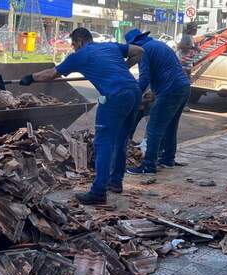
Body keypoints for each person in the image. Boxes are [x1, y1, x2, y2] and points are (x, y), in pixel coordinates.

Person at [20, 27, 143, 204]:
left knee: (103, 142)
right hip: (133, 91)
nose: (73, 48)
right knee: (120, 139)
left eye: (73, 44)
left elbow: (51, 74)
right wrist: (123, 67)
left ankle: (99, 192)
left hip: (114, 96)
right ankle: (115, 182)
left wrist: (29, 78)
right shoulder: (109, 46)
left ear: (79, 41)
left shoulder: (80, 55)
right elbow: (139, 51)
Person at [124, 29, 191, 174]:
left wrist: (134, 97)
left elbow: (144, 78)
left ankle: (148, 165)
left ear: (133, 45)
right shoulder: (158, 45)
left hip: (170, 90)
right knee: (170, 126)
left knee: (154, 127)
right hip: (183, 87)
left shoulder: (143, 51)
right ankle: (168, 159)